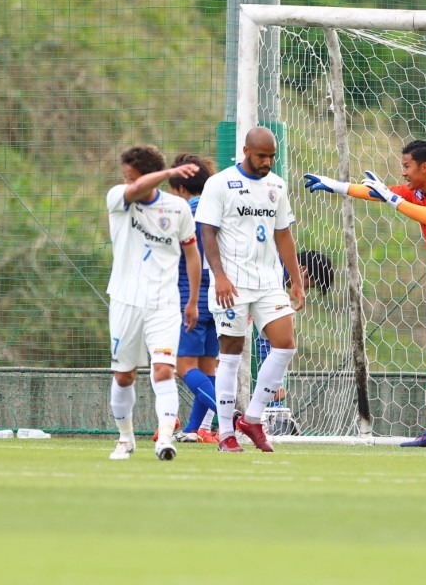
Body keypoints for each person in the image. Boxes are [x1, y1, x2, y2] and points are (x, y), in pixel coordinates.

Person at [303, 139, 426, 448]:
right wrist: (335, 185)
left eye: (407, 166)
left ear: (425, 167)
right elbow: (376, 192)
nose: (403, 173)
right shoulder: (415, 193)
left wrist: (392, 198)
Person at [196, 126, 306, 453]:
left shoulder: (277, 186)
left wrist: (296, 279)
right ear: (245, 151)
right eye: (261, 156)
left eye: (271, 156)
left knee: (285, 345)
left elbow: (283, 234)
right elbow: (207, 232)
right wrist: (219, 276)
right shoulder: (220, 184)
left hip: (268, 282)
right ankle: (226, 432)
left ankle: (253, 418)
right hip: (232, 284)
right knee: (231, 355)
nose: (267, 162)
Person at [105, 146, 202, 461]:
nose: (128, 183)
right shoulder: (118, 198)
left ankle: (165, 438)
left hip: (164, 303)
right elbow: (135, 190)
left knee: (163, 371)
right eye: (126, 177)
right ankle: (125, 438)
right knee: (124, 376)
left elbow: (192, 254)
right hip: (125, 301)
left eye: (132, 177)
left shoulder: (178, 208)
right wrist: (169, 173)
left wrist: (192, 301)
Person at [168, 153, 220, 444]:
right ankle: (192, 429)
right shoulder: (219, 209)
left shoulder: (184, 213)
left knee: (185, 367)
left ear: (180, 188)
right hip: (220, 295)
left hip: (191, 296)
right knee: (207, 368)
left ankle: (232, 418)